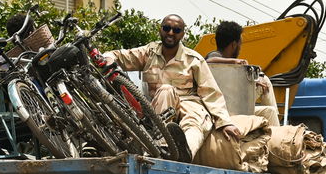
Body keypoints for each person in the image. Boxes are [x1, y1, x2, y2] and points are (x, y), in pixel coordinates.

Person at [102, 14, 242, 157]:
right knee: (166, 90)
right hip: (160, 105)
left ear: (182, 34)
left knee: (194, 123)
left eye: (176, 30)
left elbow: (211, 93)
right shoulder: (149, 53)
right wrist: (108, 59)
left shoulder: (194, 59)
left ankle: (185, 154)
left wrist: (225, 122)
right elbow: (118, 55)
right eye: (167, 28)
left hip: (188, 102)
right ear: (160, 29)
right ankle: (162, 147)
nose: (170, 33)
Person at [207, 20, 281, 126]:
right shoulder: (215, 56)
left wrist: (253, 82)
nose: (240, 48)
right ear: (234, 45)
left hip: (236, 105)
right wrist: (234, 61)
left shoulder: (230, 69)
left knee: (270, 109)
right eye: (240, 44)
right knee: (264, 80)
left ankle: (278, 131)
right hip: (225, 108)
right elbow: (208, 60)